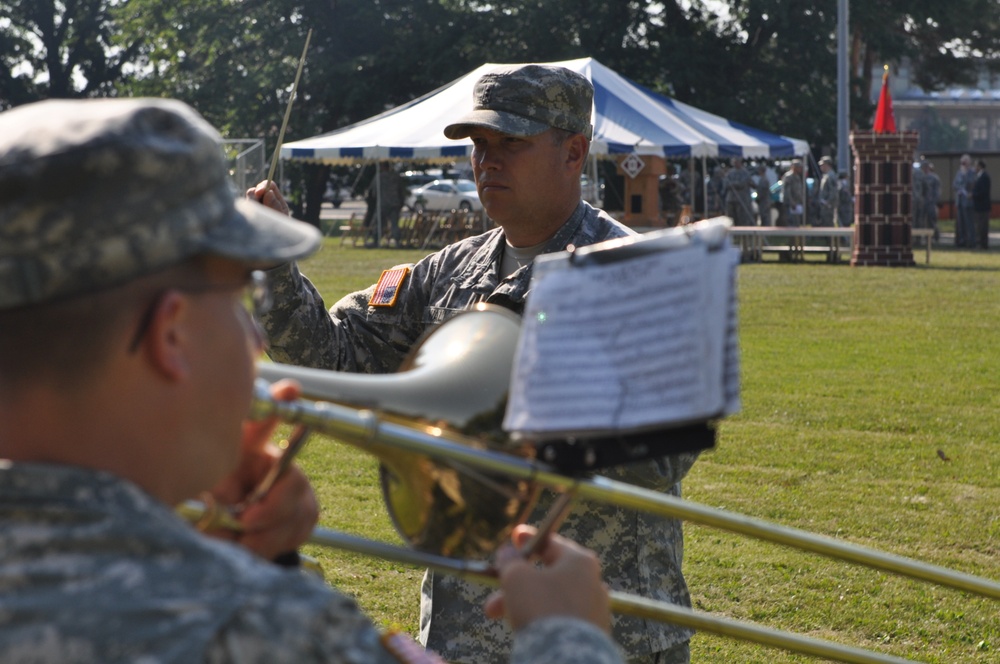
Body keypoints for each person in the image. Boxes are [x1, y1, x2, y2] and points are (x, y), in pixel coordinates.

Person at [0, 97, 623, 664]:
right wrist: (569, 639)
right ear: (172, 334)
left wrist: (257, 563)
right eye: (236, 298)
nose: (252, 339)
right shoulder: (268, 629)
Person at [253, 64, 700, 664]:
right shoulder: (447, 272)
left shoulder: (636, 274)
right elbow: (331, 358)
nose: (487, 161)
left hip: (603, 631)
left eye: (511, 143)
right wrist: (274, 264)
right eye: (479, 145)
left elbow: (666, 457)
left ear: (573, 152)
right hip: (466, 634)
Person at [953, 153, 976, 248]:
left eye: (965, 162)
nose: (963, 164)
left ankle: (970, 241)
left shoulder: (972, 172)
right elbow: (954, 184)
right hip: (959, 201)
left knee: (969, 222)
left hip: (968, 202)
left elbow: (971, 183)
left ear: (969, 162)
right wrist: (960, 188)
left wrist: (965, 175)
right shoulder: (959, 172)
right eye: (962, 162)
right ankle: (961, 241)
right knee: (960, 223)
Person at [723, 156, 754, 226]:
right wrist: (733, 184)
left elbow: (742, 183)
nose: (736, 163)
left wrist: (733, 184)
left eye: (738, 162)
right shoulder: (730, 172)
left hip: (741, 199)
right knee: (730, 217)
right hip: (731, 199)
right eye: (735, 162)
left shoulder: (745, 173)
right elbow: (726, 183)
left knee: (741, 217)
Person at [972, 159, 991, 249]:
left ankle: (983, 244)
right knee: (978, 226)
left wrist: (973, 195)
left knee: (982, 227)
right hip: (978, 206)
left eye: (976, 165)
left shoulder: (984, 177)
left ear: (980, 166)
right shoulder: (978, 176)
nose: (974, 167)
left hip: (983, 206)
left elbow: (983, 192)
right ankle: (979, 243)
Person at [781, 159, 805, 227]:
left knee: (797, 221)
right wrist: (792, 202)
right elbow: (787, 191)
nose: (800, 169)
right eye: (799, 167)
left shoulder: (797, 176)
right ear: (794, 167)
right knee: (791, 222)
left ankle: (797, 236)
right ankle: (792, 237)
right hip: (791, 204)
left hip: (797, 203)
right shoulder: (788, 176)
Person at [817, 156, 838, 227]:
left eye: (822, 165)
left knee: (828, 224)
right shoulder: (826, 175)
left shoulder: (831, 176)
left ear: (827, 165)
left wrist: (828, 202)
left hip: (828, 206)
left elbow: (833, 191)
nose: (821, 167)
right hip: (825, 205)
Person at [923, 161, 941, 241]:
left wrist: (934, 201)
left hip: (931, 203)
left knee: (932, 221)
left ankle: (936, 237)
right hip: (923, 202)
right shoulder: (922, 177)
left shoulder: (934, 178)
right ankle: (927, 237)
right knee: (924, 221)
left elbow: (937, 191)